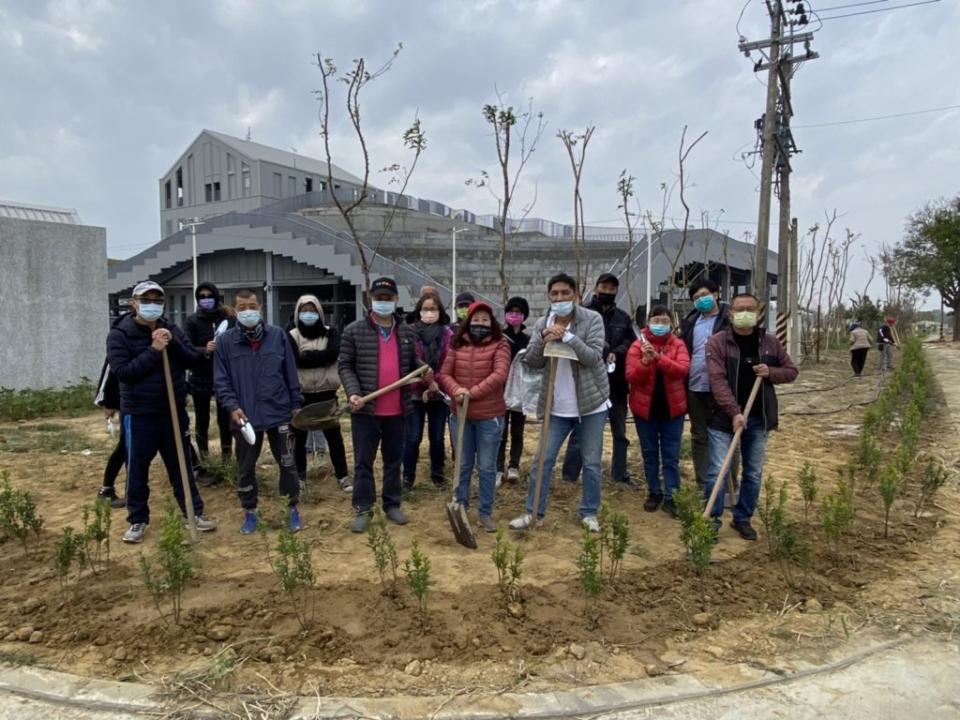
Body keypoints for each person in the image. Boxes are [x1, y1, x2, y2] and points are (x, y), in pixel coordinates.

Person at [106, 281, 215, 544]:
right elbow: (124, 373)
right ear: (134, 303)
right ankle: (137, 519)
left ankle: (193, 512)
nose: (152, 305)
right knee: (137, 469)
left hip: (172, 410)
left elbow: (194, 360)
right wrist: (154, 350)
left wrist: (172, 342)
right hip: (139, 413)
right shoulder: (119, 334)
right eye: (146, 300)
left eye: (157, 300)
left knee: (181, 464)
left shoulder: (172, 328)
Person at [509, 273, 609, 532]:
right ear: (549, 297)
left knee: (591, 462)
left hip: (590, 405)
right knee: (542, 461)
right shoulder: (543, 322)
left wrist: (567, 337)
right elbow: (531, 361)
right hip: (556, 407)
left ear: (575, 295)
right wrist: (544, 336)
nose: (560, 298)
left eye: (565, 293)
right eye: (555, 294)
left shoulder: (592, 319)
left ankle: (589, 512)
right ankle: (533, 513)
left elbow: (593, 357)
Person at [703, 293, 798, 540]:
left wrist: (770, 372)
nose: (745, 313)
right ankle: (710, 520)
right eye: (739, 309)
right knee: (717, 471)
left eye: (750, 309)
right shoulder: (718, 342)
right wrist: (734, 412)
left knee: (753, 472)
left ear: (758, 313)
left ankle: (743, 517)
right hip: (723, 419)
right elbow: (717, 381)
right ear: (730, 314)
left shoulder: (769, 343)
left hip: (758, 417)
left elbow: (791, 371)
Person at [339, 277, 428, 533]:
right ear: (371, 299)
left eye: (388, 298)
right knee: (363, 462)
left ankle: (392, 504)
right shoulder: (354, 331)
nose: (383, 302)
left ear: (396, 300)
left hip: (397, 410)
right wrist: (353, 392)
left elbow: (412, 364)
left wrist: (423, 371)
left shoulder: (407, 332)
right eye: (379, 298)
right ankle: (364, 508)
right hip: (366, 410)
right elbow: (345, 365)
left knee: (393, 460)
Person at [214, 289, 304, 534]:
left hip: (279, 413)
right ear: (234, 310)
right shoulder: (225, 342)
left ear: (260, 307)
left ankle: (291, 508)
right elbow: (221, 380)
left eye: (251, 306)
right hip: (244, 419)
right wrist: (232, 406)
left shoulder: (277, 336)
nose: (247, 311)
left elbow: (290, 374)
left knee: (287, 463)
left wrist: (295, 405)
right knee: (245, 467)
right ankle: (250, 512)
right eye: (242, 307)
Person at [438, 300, 512, 532]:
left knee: (487, 467)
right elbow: (444, 373)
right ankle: (459, 507)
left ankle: (485, 513)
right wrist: (456, 391)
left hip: (489, 416)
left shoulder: (500, 344)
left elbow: (500, 374)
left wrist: (472, 393)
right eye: (476, 320)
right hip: (460, 415)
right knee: (462, 464)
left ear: (492, 323)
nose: (480, 324)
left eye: (485, 320)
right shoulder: (456, 343)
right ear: (468, 322)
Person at [562, 273, 636, 486]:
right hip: (588, 381)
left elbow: (630, 342)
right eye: (604, 287)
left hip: (616, 383)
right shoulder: (583, 314)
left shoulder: (623, 317)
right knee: (580, 431)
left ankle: (619, 474)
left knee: (619, 431)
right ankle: (570, 475)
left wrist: (617, 352)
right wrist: (601, 351)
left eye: (612, 289)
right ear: (596, 288)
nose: (608, 292)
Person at [625, 306, 690, 518]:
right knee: (650, 454)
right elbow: (631, 376)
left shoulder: (678, 344)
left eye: (664, 321)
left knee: (671, 456)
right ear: (648, 322)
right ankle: (654, 492)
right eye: (656, 320)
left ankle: (672, 497)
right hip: (646, 411)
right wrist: (644, 361)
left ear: (671, 323)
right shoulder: (637, 346)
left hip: (673, 411)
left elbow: (682, 370)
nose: (659, 325)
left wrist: (659, 359)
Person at [288, 294, 352, 493]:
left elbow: (333, 354)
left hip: (327, 392)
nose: (309, 314)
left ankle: (342, 475)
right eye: (304, 310)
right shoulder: (291, 334)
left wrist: (308, 356)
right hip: (302, 394)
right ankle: (299, 477)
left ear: (320, 312)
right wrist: (321, 358)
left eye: (312, 310)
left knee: (334, 436)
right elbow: (295, 360)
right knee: (298, 437)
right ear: (298, 312)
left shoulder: (330, 332)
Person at [679, 278, 732, 490]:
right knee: (699, 435)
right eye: (696, 298)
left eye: (704, 295)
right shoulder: (690, 322)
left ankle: (728, 485)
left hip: (722, 389)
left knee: (724, 437)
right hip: (695, 387)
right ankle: (704, 483)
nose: (701, 300)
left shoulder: (729, 320)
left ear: (716, 294)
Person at [403, 292, 453, 490]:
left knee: (438, 436)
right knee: (413, 437)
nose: (429, 313)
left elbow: (449, 363)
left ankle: (438, 474)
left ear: (440, 312)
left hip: (439, 394)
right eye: (425, 309)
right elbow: (408, 361)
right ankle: (408, 476)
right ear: (419, 311)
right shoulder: (409, 333)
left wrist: (435, 383)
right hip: (414, 392)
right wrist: (426, 382)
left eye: (433, 309)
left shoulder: (447, 334)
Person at [182, 282, 235, 466]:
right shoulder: (192, 320)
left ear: (216, 296)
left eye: (209, 295)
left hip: (224, 376)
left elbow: (236, 340)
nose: (206, 300)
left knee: (224, 419)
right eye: (202, 297)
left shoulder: (227, 318)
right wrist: (204, 349)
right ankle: (204, 458)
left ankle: (227, 459)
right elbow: (186, 347)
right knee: (202, 418)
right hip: (200, 375)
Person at [498, 296, 531, 483]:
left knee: (517, 431)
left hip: (520, 391)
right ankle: (498, 467)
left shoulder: (527, 340)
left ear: (524, 316)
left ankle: (513, 466)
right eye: (511, 312)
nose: (514, 315)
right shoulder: (499, 338)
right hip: (501, 391)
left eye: (518, 313)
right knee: (500, 431)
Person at [93, 352, 125, 508]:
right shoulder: (121, 334)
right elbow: (110, 371)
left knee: (176, 436)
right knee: (126, 446)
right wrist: (108, 402)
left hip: (153, 401)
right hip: (129, 402)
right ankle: (106, 489)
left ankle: (196, 469)